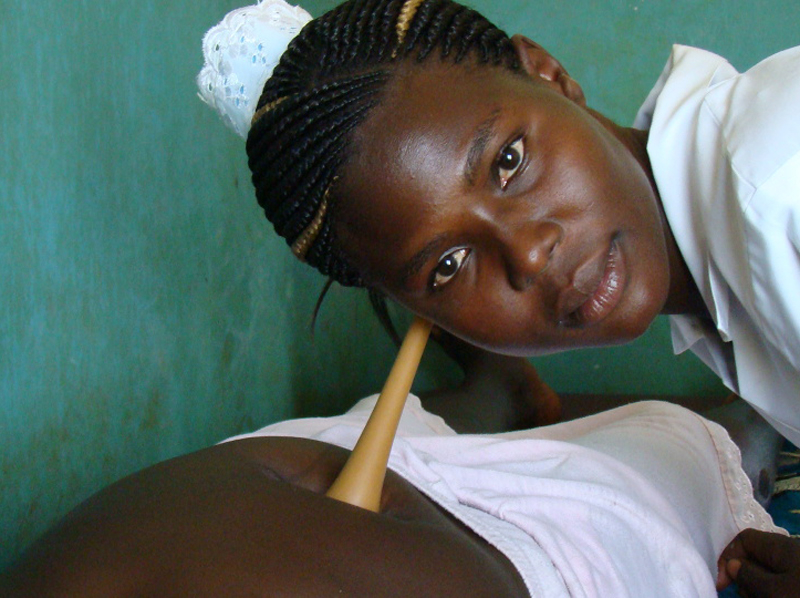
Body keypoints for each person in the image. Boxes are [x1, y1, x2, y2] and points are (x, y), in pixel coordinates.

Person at [196, 0, 800, 592]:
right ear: (424, 316)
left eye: (509, 161)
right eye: (448, 266)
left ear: (550, 75)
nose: (529, 254)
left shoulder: (780, 190)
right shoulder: (720, 280)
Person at [0, 366, 786, 597]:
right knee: (692, 440)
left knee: (400, 412)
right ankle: (754, 423)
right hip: (561, 554)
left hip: (284, 464)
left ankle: (499, 394)